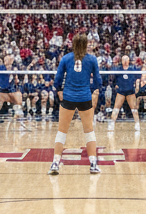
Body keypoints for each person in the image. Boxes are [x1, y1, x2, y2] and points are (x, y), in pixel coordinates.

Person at [50, 32, 102, 175]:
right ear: (86, 45)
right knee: (89, 131)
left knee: (62, 131)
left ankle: (55, 163)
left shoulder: (66, 58)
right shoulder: (91, 59)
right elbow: (98, 80)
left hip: (69, 97)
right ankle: (93, 163)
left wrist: (59, 91)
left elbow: (57, 79)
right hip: (85, 97)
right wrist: (95, 91)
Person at [0, 53, 26, 131]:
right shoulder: (0, 67)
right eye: (5, 59)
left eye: (8, 59)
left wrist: (16, 77)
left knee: (18, 105)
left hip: (10, 90)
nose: (6, 61)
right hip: (1, 91)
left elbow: (16, 81)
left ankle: (20, 124)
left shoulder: (13, 69)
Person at [108, 54, 139, 132]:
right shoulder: (118, 69)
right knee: (116, 108)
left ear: (129, 61)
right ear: (121, 61)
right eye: (123, 59)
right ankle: (112, 124)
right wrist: (115, 85)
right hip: (121, 91)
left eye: (126, 59)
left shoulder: (132, 69)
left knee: (134, 108)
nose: (125, 61)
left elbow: (137, 77)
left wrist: (137, 85)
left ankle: (137, 123)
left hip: (130, 91)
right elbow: (113, 79)